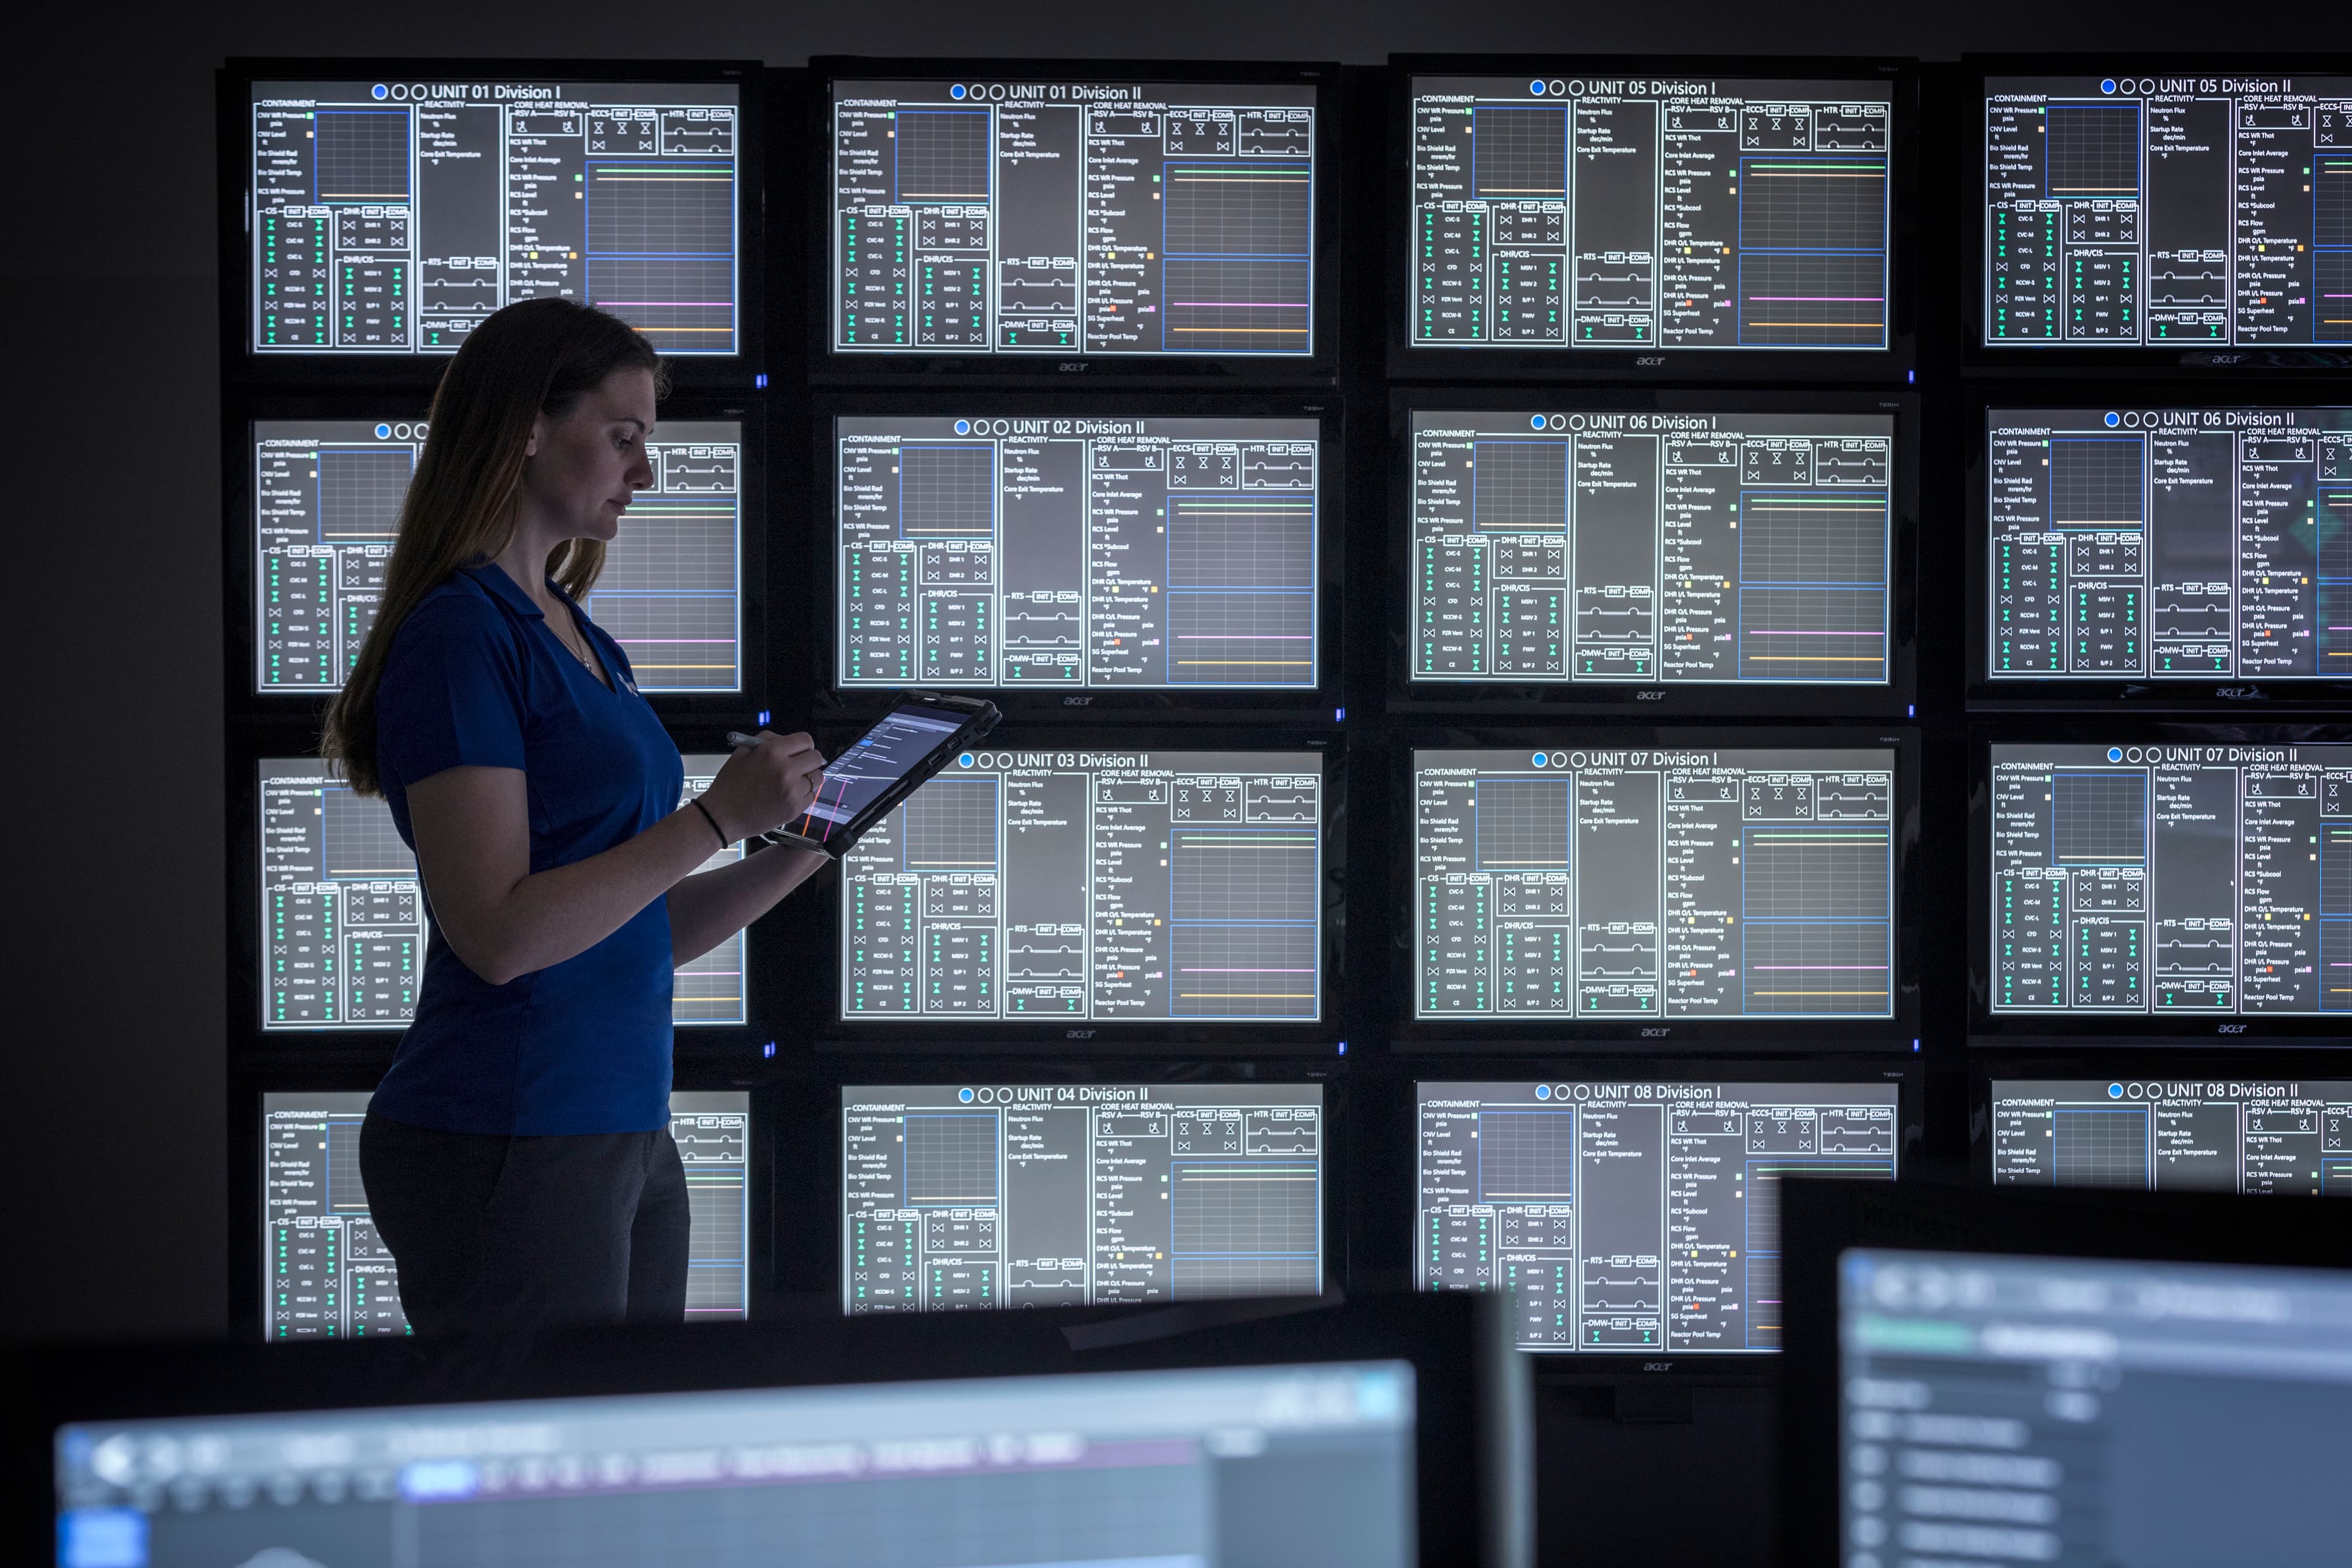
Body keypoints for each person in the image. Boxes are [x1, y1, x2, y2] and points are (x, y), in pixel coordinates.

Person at [322, 299, 826, 1332]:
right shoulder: (461, 635)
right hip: (509, 1128)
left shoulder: (582, 637)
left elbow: (628, 934)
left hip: (622, 1129)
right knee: (539, 1478)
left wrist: (805, 847)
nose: (645, 472)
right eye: (624, 437)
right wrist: (717, 823)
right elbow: (501, 936)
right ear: (527, 427)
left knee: (616, 1468)